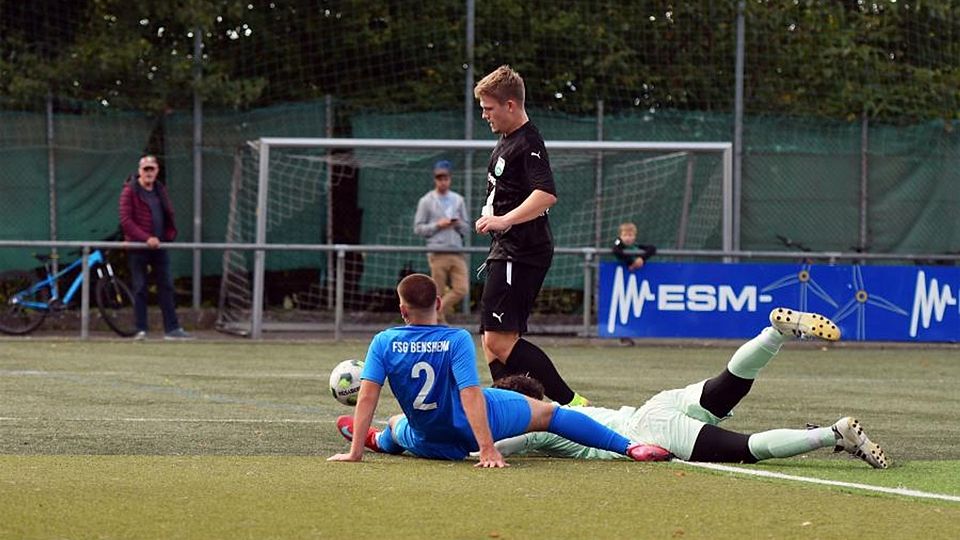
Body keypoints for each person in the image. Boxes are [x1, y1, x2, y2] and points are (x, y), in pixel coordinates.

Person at [327, 273, 668, 467]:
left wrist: (355, 454)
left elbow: (367, 397)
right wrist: (487, 447)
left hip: (429, 439)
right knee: (552, 414)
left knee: (395, 423)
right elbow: (470, 394)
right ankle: (631, 448)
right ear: (439, 303)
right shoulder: (457, 339)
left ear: (402, 310)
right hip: (478, 425)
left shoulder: (384, 341)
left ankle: (372, 440)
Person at [490, 308, 889, 469]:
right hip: (652, 408)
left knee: (746, 448)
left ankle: (832, 434)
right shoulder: (563, 410)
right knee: (727, 384)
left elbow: (502, 447)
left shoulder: (539, 425)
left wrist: (477, 447)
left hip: (649, 433)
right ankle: (774, 334)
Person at [472, 64, 589, 406]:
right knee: (491, 341)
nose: (484, 115)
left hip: (521, 250)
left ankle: (573, 405)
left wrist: (503, 220)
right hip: (507, 249)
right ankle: (516, 411)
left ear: (510, 105)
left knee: (499, 340)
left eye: (488, 108)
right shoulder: (507, 141)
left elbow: (546, 194)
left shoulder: (528, 142)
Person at [118, 155, 192, 340]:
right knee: (140, 287)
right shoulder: (129, 191)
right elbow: (126, 221)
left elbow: (168, 214)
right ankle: (140, 329)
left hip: (160, 247)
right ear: (139, 171)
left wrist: (168, 235)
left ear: (157, 170)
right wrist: (146, 238)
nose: (149, 173)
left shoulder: (160, 190)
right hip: (138, 248)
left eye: (152, 169)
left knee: (166, 285)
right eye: (146, 169)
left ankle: (172, 329)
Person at [413, 160, 471, 324]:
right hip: (437, 252)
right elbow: (418, 228)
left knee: (462, 288)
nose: (443, 182)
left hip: (456, 251)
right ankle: (438, 324)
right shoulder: (426, 201)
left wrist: (457, 223)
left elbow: (466, 228)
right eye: (439, 178)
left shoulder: (458, 200)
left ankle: (436, 314)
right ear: (435, 179)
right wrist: (438, 225)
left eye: (445, 178)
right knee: (437, 292)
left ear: (450, 179)